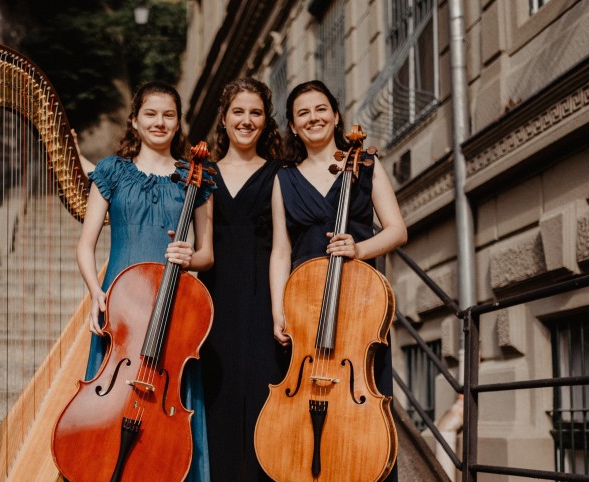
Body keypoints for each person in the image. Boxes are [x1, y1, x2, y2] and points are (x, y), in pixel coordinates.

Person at [76, 80, 215, 480]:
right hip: (119, 312)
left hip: (173, 312)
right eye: (150, 114)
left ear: (178, 123)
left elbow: (207, 254)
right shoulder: (112, 171)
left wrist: (191, 257)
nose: (159, 122)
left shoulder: (196, 177)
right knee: (107, 406)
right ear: (134, 120)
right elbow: (86, 246)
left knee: (166, 415)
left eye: (168, 115)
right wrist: (96, 294)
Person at [269, 79, 407, 481]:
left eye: (320, 109)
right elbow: (280, 249)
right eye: (302, 114)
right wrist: (278, 309)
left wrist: (359, 250)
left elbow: (396, 229)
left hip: (359, 308)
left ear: (335, 115)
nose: (313, 118)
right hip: (306, 307)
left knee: (362, 406)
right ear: (293, 127)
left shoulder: (365, 164)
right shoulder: (284, 178)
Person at [197, 78, 284, 482]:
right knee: (219, 394)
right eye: (239, 112)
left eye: (256, 112)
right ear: (225, 118)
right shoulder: (204, 173)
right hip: (216, 298)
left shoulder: (282, 173)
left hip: (266, 296)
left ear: (266, 121)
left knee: (266, 395)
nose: (246, 120)